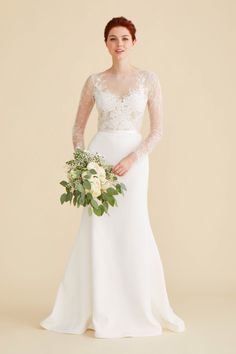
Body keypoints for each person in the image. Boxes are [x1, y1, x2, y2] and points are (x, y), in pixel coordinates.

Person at [40, 16, 186, 339]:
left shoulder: (149, 80)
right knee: (99, 229)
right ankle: (97, 306)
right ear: (105, 44)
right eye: (112, 39)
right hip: (99, 160)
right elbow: (78, 128)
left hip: (134, 161)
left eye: (124, 38)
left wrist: (134, 158)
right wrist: (84, 165)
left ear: (134, 42)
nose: (119, 44)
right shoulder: (94, 81)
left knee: (133, 227)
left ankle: (135, 307)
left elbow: (158, 130)